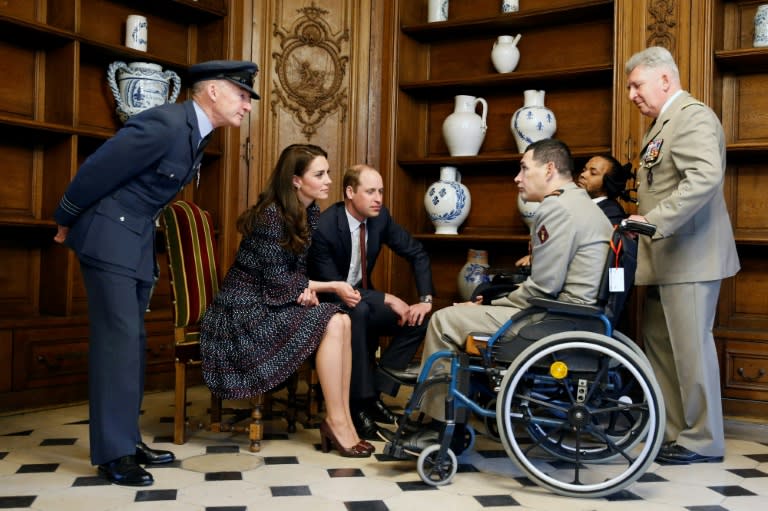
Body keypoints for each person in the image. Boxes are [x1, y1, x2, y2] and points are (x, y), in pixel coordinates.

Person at [52, 60, 260, 486]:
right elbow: (97, 170)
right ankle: (114, 455)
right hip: (109, 237)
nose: (247, 106)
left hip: (135, 239)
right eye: (242, 96)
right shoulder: (165, 124)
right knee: (118, 345)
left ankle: (126, 440)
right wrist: (65, 218)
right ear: (214, 92)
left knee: (132, 343)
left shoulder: (194, 132)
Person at [405, 138, 613, 449]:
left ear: (550, 169)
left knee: (445, 320)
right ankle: (450, 416)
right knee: (464, 316)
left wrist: (491, 301)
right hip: (577, 316)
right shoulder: (581, 203)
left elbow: (544, 287)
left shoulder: (556, 208)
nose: (518, 177)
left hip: (555, 319)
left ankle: (440, 426)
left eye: (524, 168)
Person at [200, 144, 372, 459]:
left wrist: (306, 290)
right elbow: (279, 282)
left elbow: (293, 274)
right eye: (319, 174)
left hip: (268, 302)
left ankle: (343, 418)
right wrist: (329, 285)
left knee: (342, 319)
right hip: (240, 316)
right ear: (295, 180)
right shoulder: (271, 217)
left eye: (328, 173)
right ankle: (336, 422)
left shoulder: (309, 212)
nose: (328, 181)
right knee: (334, 320)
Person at [625, 46, 740, 464]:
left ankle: (703, 439)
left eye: (637, 85)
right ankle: (676, 432)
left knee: (690, 348)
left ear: (665, 80)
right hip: (665, 258)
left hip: (689, 256)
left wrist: (654, 221)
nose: (632, 94)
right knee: (661, 346)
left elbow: (705, 177)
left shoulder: (690, 116)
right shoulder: (662, 123)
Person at [308, 164, 434, 439]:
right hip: (328, 304)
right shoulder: (326, 227)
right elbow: (336, 288)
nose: (378, 198)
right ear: (350, 192)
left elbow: (417, 253)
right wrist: (387, 298)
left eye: (381, 191)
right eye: (371, 191)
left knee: (419, 320)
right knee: (360, 310)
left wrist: (424, 300)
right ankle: (360, 405)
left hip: (362, 299)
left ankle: (375, 392)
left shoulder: (380, 218)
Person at [577, 154, 633, 225]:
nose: (583, 174)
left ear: (608, 182)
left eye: (593, 173)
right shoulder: (578, 202)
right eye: (584, 170)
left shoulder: (611, 214)